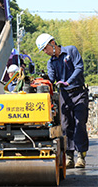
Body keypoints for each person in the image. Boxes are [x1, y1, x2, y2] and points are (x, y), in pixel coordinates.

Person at [36, 33, 89, 169]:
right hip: (64, 96)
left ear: (52, 43)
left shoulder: (71, 50)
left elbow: (79, 67)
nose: (45, 52)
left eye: (45, 48)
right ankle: (69, 156)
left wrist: (67, 82)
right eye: (43, 50)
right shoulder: (51, 62)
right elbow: (52, 79)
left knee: (79, 123)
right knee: (66, 126)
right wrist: (44, 80)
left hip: (79, 93)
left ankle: (81, 156)